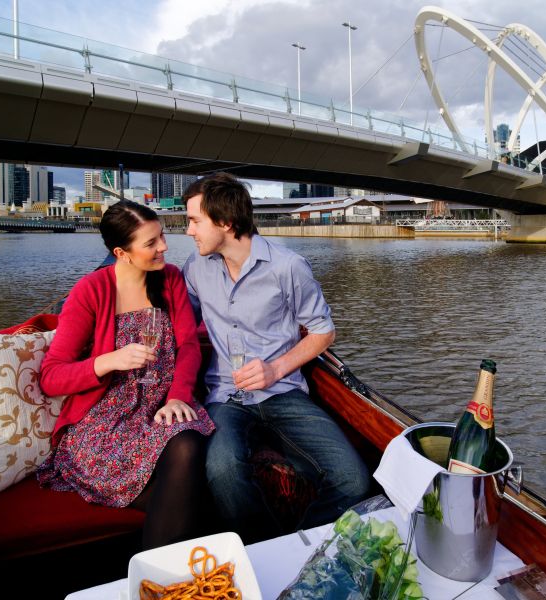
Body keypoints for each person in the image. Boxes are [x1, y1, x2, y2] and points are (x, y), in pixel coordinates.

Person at [182, 173, 370, 542]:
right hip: (226, 395)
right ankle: (262, 548)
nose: (188, 231)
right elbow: (181, 326)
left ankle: (296, 545)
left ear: (225, 222)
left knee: (354, 481)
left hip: (283, 391)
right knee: (221, 470)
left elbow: (323, 331)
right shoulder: (196, 268)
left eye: (194, 221)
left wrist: (275, 369)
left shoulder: (288, 267)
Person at [37, 200, 215, 550]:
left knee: (187, 444)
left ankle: (153, 580)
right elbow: (51, 377)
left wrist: (178, 394)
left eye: (162, 236)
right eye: (151, 243)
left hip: (163, 406)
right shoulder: (91, 291)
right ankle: (162, 580)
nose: (164, 246)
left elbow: (190, 346)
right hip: (105, 420)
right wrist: (108, 361)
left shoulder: (170, 279)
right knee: (197, 498)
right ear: (122, 252)